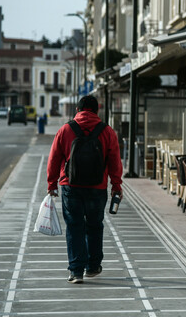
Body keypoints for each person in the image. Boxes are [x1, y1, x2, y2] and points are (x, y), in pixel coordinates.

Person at [46, 95, 123, 284]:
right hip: (98, 187)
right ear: (97, 111)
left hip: (71, 186)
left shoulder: (65, 130)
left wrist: (51, 184)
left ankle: (76, 271)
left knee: (74, 227)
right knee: (95, 225)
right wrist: (116, 185)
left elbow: (54, 158)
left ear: (77, 110)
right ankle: (93, 266)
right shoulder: (107, 132)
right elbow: (115, 162)